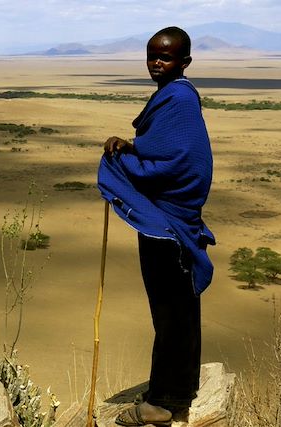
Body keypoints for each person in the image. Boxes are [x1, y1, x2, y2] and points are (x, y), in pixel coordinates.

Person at [97, 26, 215, 426]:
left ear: (184, 61)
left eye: (165, 57)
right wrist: (131, 147)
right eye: (151, 56)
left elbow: (180, 163)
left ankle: (162, 404)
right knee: (178, 313)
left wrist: (121, 164)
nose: (156, 63)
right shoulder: (174, 96)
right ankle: (179, 389)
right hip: (170, 224)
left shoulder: (179, 98)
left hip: (168, 226)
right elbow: (160, 148)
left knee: (169, 315)